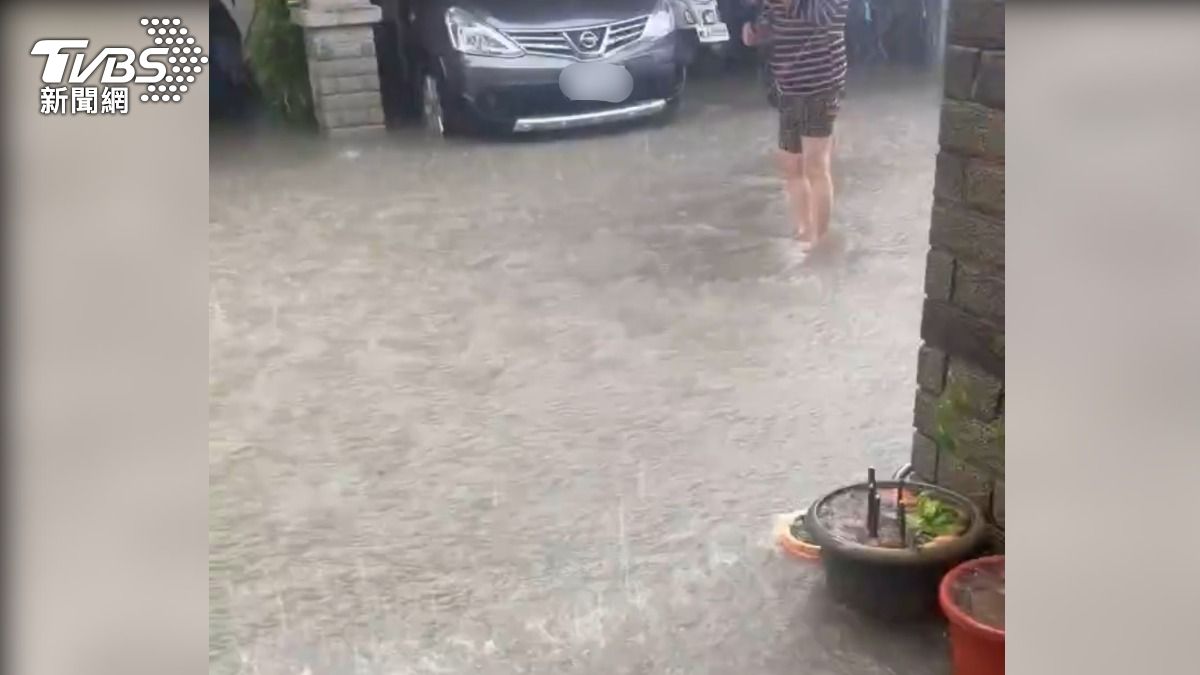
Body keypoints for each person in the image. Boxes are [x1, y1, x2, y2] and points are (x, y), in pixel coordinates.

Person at [743, 0, 850, 249]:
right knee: (790, 164)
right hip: (788, 88)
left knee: (816, 164)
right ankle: (804, 233)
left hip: (822, 86)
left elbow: (822, 17)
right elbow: (770, 27)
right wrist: (756, 33)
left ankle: (821, 241)